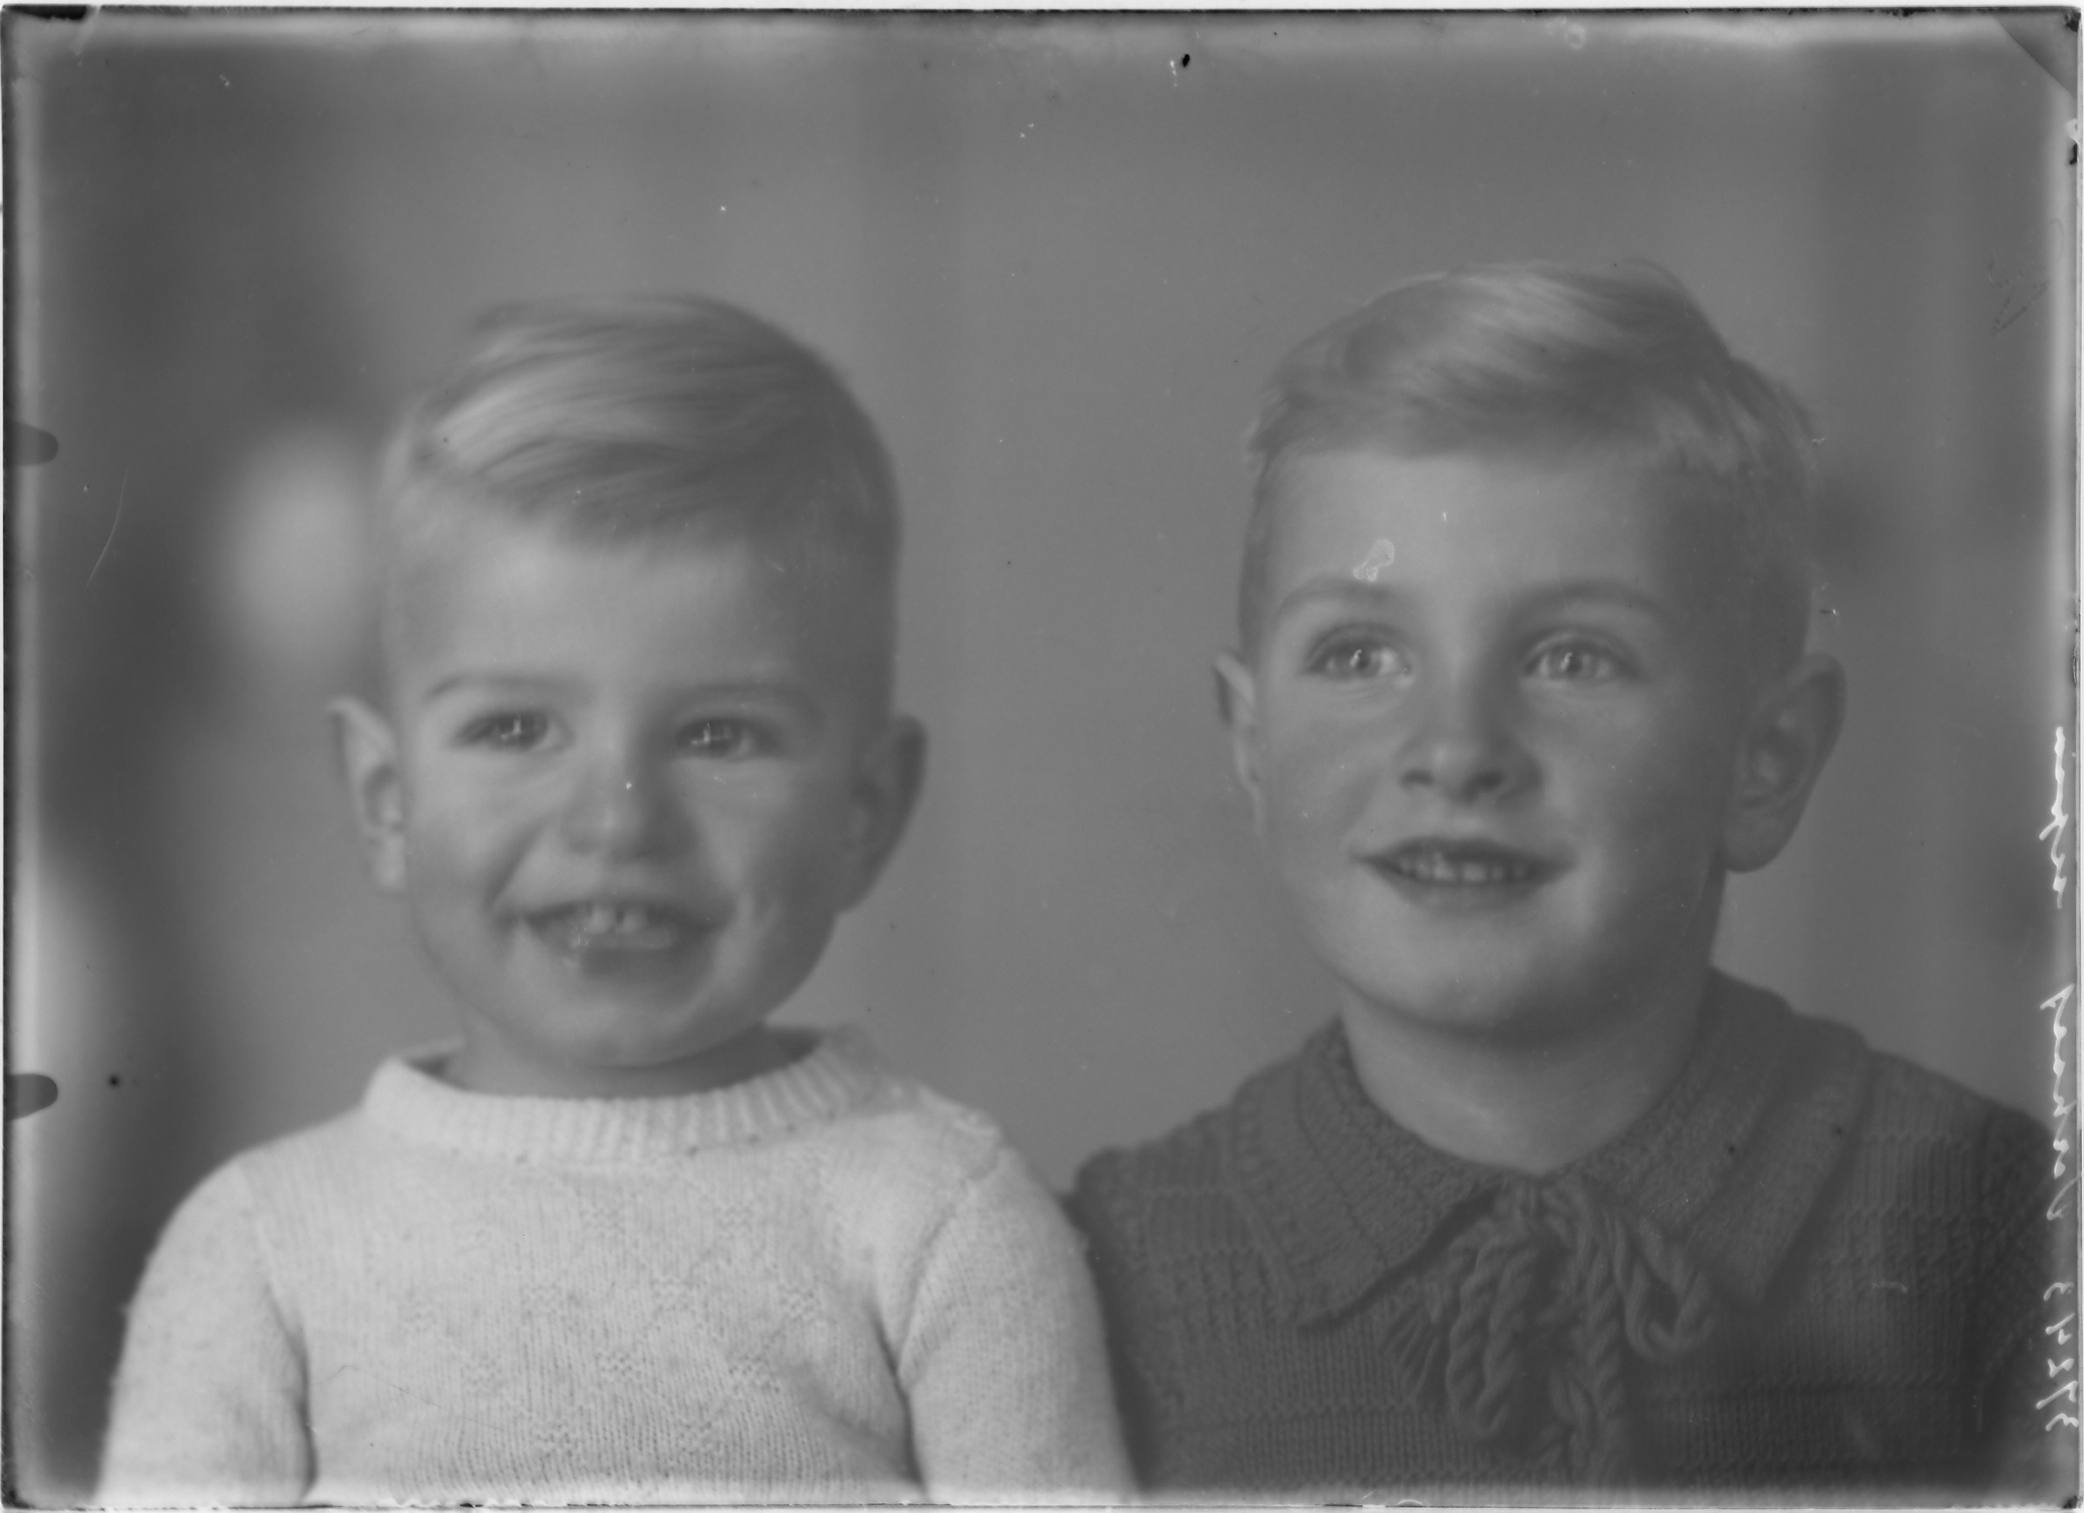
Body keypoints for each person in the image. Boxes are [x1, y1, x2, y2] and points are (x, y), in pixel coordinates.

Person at [98, 297, 1130, 1505]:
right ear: (385, 800)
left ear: (864, 810)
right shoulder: (259, 1252)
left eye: (718, 734)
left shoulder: (946, 1222)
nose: (617, 819)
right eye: (515, 728)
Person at [1071, 261, 2066, 1498]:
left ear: (1763, 762)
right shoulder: (1097, 1269)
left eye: (1571, 656)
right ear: (1249, 742)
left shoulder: (2002, 1233)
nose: (1456, 750)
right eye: (1359, 652)